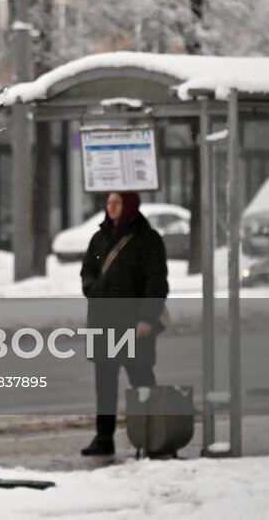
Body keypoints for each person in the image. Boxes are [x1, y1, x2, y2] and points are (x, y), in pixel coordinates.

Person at [79, 190, 169, 456]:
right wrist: (92, 289)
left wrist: (146, 318)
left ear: (129, 205)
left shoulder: (147, 240)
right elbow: (88, 271)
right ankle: (103, 437)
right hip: (103, 321)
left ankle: (154, 434)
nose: (111, 207)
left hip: (133, 323)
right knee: (104, 384)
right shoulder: (99, 238)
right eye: (108, 202)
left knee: (140, 379)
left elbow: (156, 282)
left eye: (117, 202)